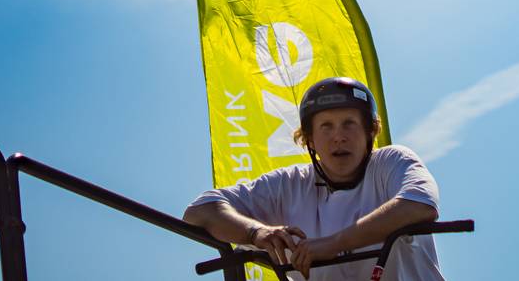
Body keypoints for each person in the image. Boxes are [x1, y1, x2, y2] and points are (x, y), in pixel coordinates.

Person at [183, 77, 444, 280]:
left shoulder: (391, 161)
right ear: (309, 140)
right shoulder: (288, 185)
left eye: (349, 123)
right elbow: (199, 210)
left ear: (370, 132)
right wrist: (256, 232)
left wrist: (333, 244)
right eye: (326, 126)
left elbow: (419, 204)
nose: (338, 136)